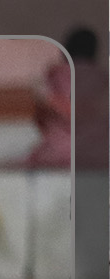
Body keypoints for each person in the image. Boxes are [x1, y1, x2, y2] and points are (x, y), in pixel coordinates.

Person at [25, 26, 108, 171]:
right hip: (97, 150)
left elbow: (44, 114)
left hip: (62, 149)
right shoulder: (102, 78)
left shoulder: (56, 74)